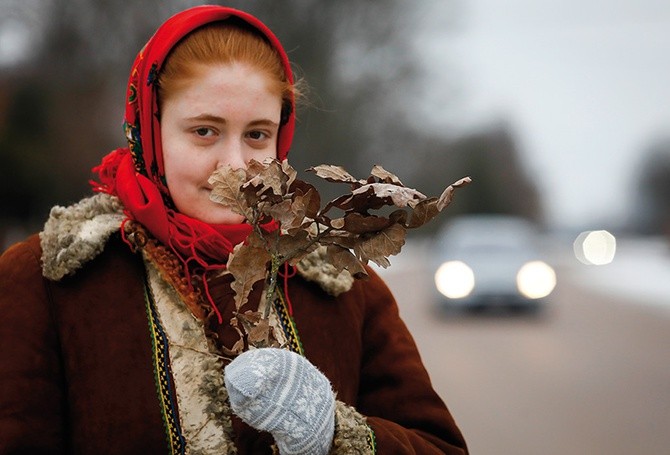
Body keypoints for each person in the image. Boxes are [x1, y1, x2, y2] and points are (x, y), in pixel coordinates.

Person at [0, 5, 468, 454]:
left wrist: (331, 433)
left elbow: (438, 445)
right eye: (204, 131)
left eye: (257, 134)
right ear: (150, 131)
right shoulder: (48, 283)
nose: (236, 165)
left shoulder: (341, 285)